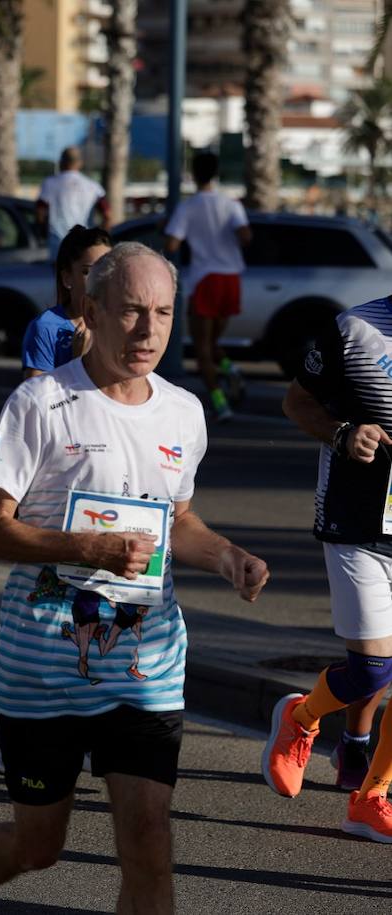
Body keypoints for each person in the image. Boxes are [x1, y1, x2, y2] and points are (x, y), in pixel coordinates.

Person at [0, 242, 269, 915]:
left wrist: (226, 554)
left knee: (148, 837)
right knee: (38, 843)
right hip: (43, 665)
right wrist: (87, 547)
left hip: (146, 666)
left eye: (164, 313)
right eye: (133, 312)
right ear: (92, 310)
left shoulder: (183, 412)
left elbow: (179, 520)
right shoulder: (42, 402)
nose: (149, 330)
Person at [260, 303, 392, 842]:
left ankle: (372, 797)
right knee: (370, 672)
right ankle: (302, 716)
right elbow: (297, 402)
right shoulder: (354, 331)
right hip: (356, 524)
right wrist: (342, 434)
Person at [164, 151, 251, 423]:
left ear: (194, 174)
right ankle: (230, 369)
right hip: (231, 279)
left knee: (202, 347)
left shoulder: (188, 207)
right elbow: (246, 237)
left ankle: (220, 403)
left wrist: (166, 229)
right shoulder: (231, 204)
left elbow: (171, 245)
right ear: (216, 173)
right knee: (213, 343)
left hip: (205, 279)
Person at [21, 225, 112, 379]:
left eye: (107, 269)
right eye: (87, 271)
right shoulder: (45, 328)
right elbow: (37, 400)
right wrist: (78, 362)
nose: (99, 279)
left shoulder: (119, 322)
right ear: (67, 278)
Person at [37, 147, 109, 263]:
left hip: (58, 246)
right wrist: (97, 239)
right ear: (80, 163)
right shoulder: (93, 187)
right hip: (85, 247)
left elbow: (40, 212)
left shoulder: (49, 184)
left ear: (61, 162)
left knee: (59, 279)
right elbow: (107, 216)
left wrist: (43, 233)